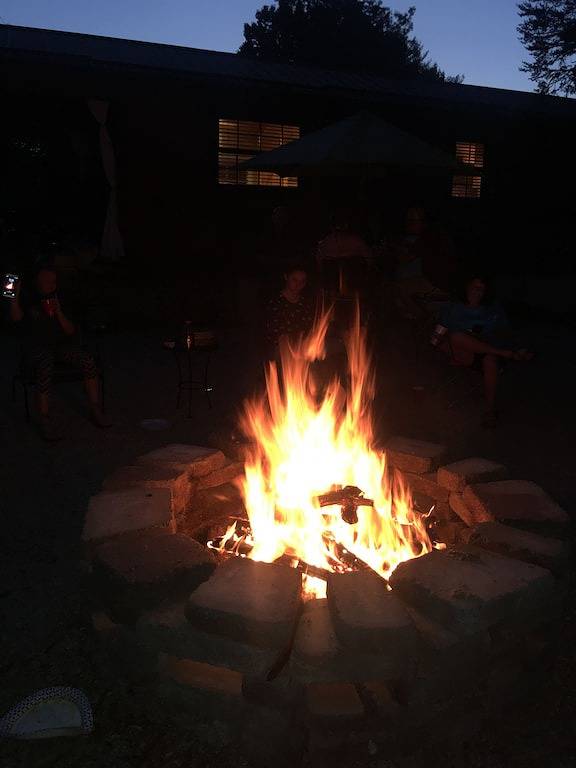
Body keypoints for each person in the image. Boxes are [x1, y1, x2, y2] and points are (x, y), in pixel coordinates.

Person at [7, 264, 111, 440]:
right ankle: (45, 418)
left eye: (53, 281)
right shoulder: (29, 298)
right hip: (37, 348)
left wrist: (59, 312)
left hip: (60, 347)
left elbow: (70, 331)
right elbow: (16, 320)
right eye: (47, 281)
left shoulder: (60, 298)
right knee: (45, 363)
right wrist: (14, 299)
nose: (51, 285)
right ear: (38, 282)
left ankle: (94, 407)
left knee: (87, 360)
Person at [438, 274, 532, 428]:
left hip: (487, 352)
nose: (478, 292)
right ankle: (501, 353)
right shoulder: (453, 308)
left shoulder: (492, 309)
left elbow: (506, 332)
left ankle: (490, 411)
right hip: (463, 352)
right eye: (475, 287)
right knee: (456, 337)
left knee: (490, 360)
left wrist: (519, 348)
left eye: (482, 289)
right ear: (467, 287)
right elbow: (440, 334)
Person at [390, 205, 456, 319]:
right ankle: (413, 316)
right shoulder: (437, 233)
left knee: (398, 287)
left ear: (423, 222)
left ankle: (421, 319)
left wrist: (393, 250)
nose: (408, 224)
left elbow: (405, 259)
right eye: (408, 221)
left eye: (412, 221)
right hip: (446, 281)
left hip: (437, 283)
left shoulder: (427, 236)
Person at [264, 263, 314, 360]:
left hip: (302, 345)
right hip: (281, 348)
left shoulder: (305, 303)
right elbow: (272, 332)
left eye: (302, 281)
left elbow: (309, 327)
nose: (298, 285)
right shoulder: (275, 302)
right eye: (294, 280)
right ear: (286, 277)